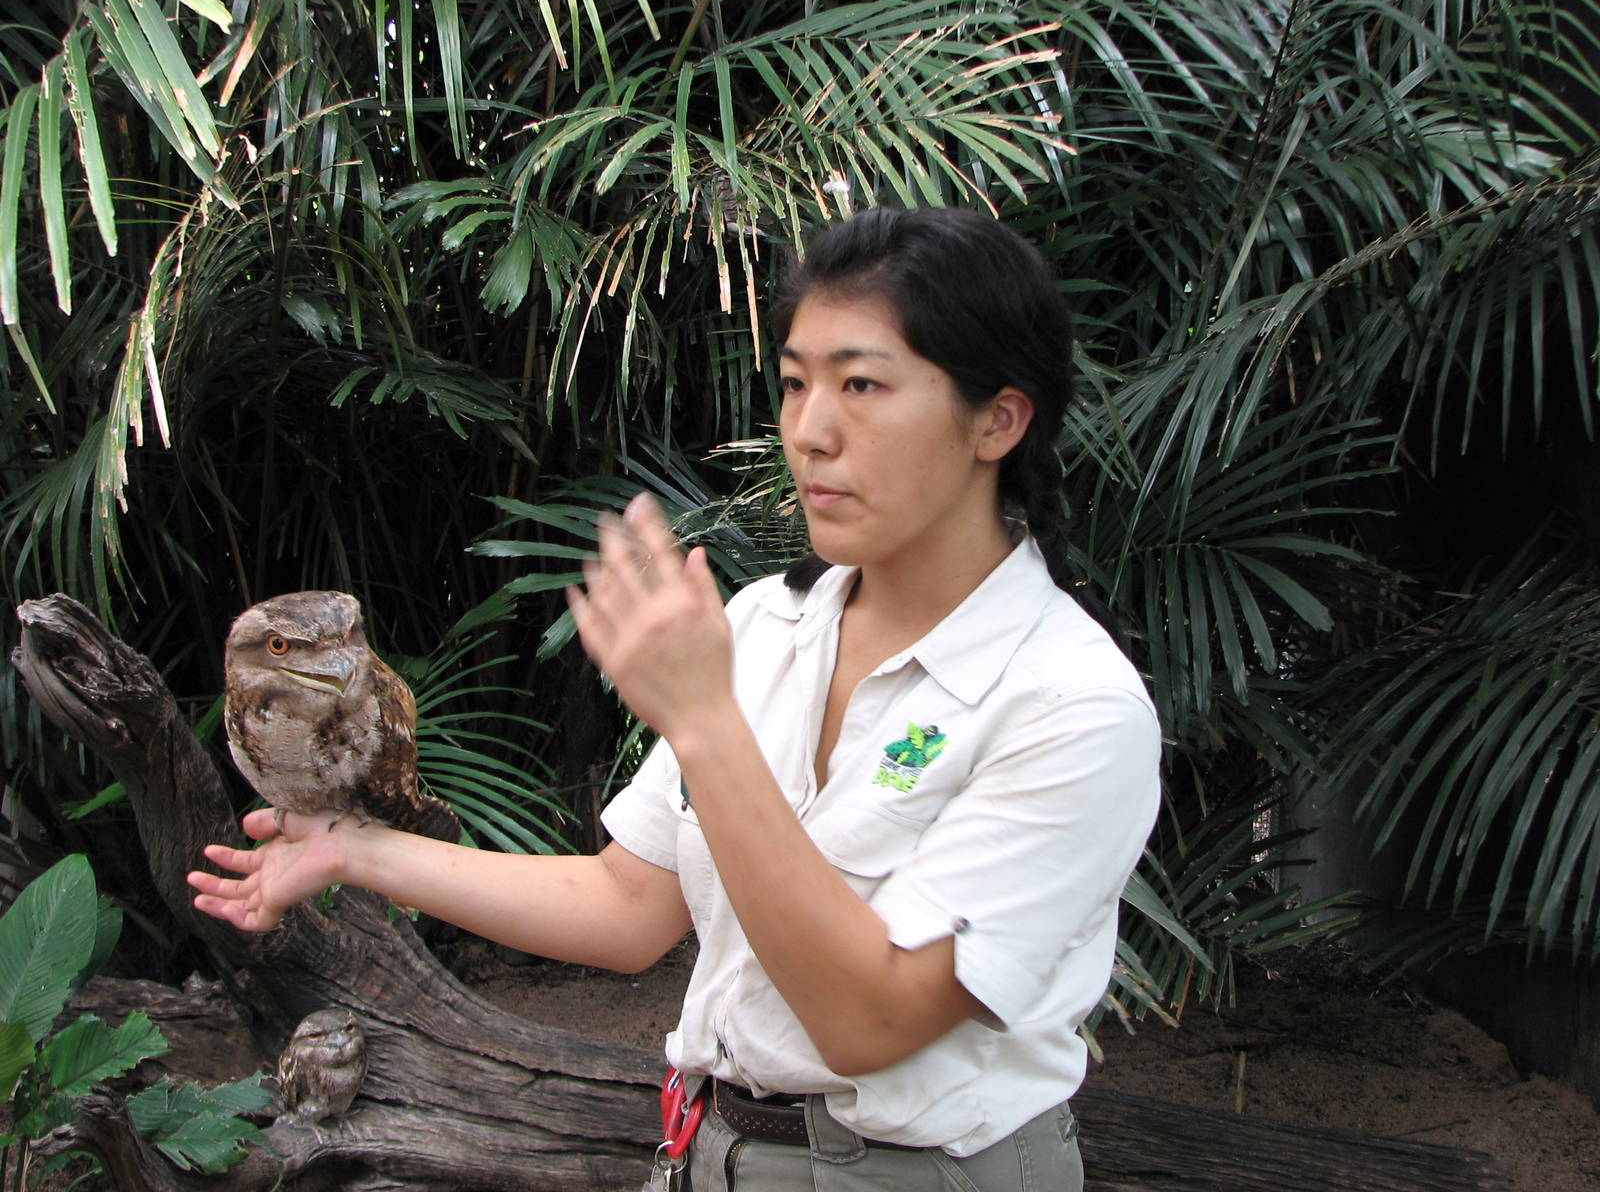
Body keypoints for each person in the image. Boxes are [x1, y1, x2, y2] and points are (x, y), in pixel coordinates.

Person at [188, 205, 1161, 1191]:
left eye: (861, 384)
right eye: (794, 384)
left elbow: (869, 1018)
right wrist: (357, 849)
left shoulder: (1070, 707)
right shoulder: (762, 630)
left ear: (997, 418)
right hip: (706, 1154)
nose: (810, 432)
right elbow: (626, 907)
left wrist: (703, 722)